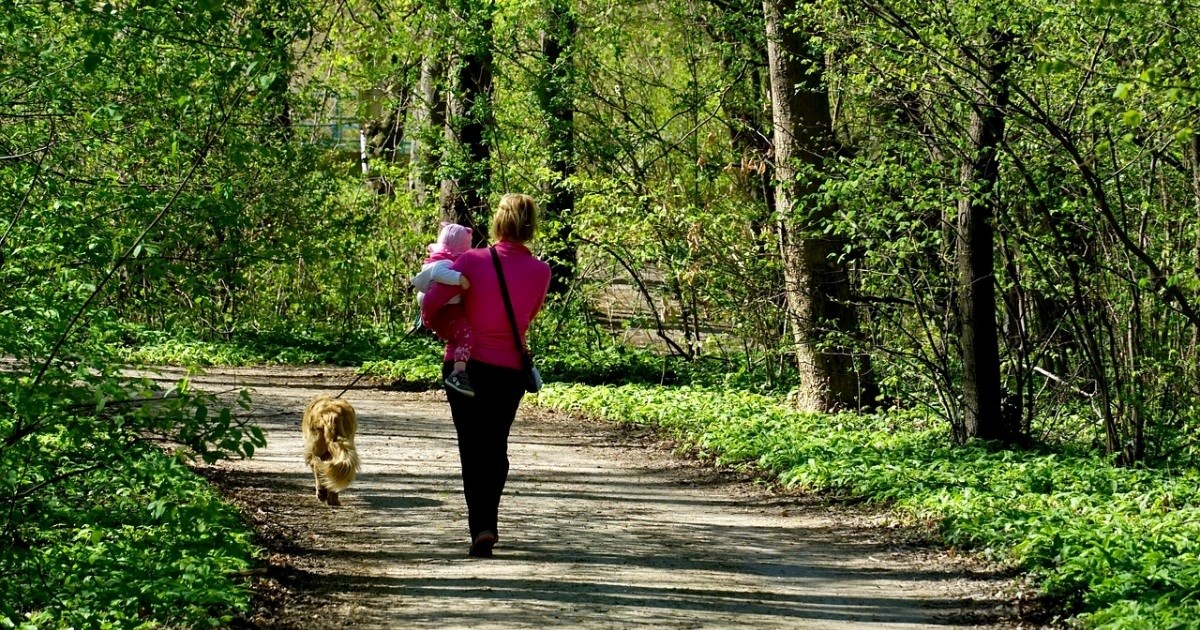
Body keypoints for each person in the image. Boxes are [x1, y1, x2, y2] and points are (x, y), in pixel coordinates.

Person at [420, 194, 551, 558]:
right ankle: (488, 522)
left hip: (466, 367)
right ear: (531, 227)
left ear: (497, 223)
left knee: (471, 446)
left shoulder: (470, 261)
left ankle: (481, 526)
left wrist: (445, 329)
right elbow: (528, 317)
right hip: (509, 370)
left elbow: (430, 304)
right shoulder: (542, 272)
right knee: (496, 446)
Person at [412, 222, 476, 397]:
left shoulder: (434, 261)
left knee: (457, 338)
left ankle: (457, 368)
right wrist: (460, 279)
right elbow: (438, 274)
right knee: (466, 337)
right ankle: (458, 373)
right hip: (448, 311)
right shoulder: (444, 263)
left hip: (440, 311)